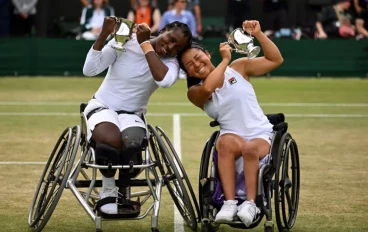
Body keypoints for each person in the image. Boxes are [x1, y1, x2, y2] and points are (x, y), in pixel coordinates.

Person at [82, 17, 192, 215]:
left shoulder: (171, 62)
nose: (170, 47)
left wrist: (145, 43)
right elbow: (89, 70)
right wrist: (105, 34)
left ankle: (123, 191)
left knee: (132, 145)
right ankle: (108, 190)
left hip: (132, 114)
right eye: (171, 39)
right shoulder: (125, 40)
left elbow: (165, 81)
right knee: (110, 140)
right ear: (164, 29)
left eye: (177, 47)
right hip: (103, 106)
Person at [178, 20, 283, 226]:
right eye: (190, 65)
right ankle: (229, 203)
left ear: (207, 54)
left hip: (260, 133)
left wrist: (259, 34)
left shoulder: (240, 67)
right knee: (225, 144)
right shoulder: (194, 92)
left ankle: (251, 204)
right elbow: (210, 87)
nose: (197, 65)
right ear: (188, 73)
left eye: (198, 58)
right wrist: (225, 60)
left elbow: (275, 60)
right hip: (231, 135)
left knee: (251, 149)